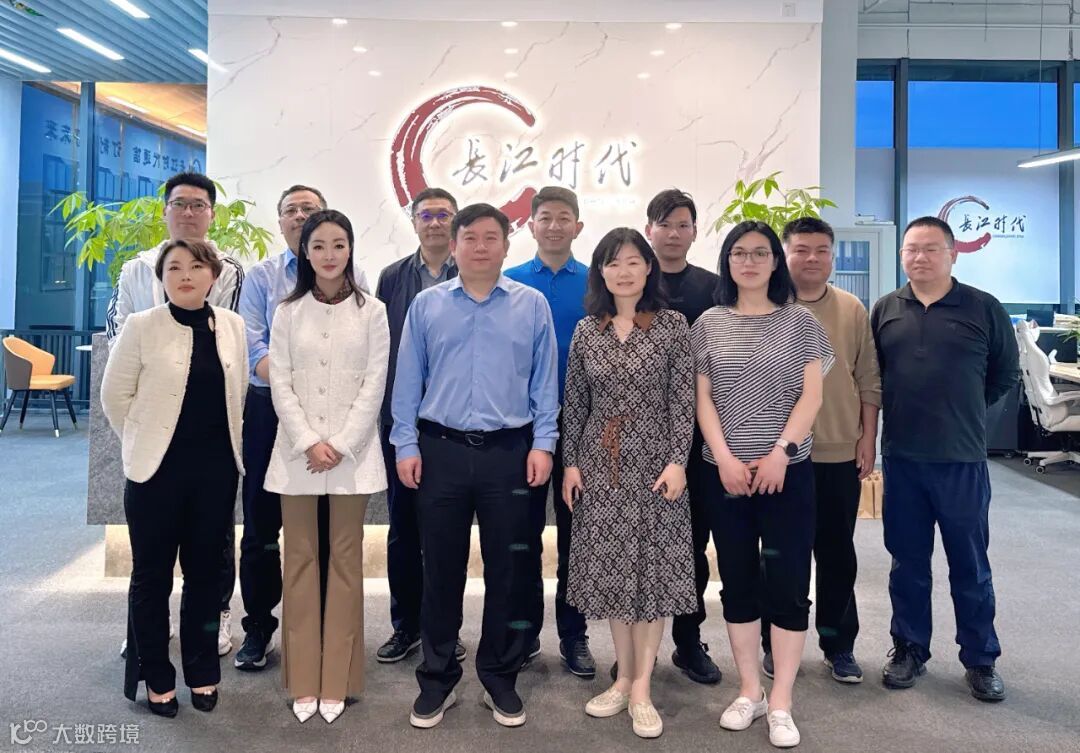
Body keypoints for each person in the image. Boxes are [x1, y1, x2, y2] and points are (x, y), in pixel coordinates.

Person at [392, 203, 559, 729]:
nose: (480, 246)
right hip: (439, 450)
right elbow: (407, 379)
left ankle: (499, 676)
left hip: (510, 452)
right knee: (440, 569)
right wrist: (405, 444)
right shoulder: (427, 305)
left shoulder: (531, 305)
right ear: (455, 245)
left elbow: (544, 382)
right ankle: (437, 678)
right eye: (470, 237)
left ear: (507, 246)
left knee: (508, 569)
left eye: (491, 237)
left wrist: (544, 443)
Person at [692, 221, 833, 748]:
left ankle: (782, 702)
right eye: (738, 253)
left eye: (759, 253)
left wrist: (781, 454)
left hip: (787, 474)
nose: (748, 262)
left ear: (776, 261)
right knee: (737, 580)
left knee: (790, 583)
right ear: (727, 262)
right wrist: (725, 459)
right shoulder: (708, 323)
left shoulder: (800, 321)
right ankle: (750, 690)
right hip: (725, 474)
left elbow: (811, 397)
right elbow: (703, 400)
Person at [871, 216, 1019, 702]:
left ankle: (980, 658)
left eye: (931, 248)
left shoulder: (983, 307)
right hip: (903, 459)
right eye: (911, 249)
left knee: (970, 565)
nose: (920, 257)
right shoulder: (885, 309)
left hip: (961, 461)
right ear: (902, 255)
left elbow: (1005, 374)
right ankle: (909, 649)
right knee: (907, 563)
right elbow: (875, 377)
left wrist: (967, 411)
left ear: (952, 254)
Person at [101, 239, 247, 717]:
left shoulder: (232, 326)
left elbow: (238, 393)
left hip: (215, 474)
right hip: (155, 475)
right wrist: (142, 440)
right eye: (174, 268)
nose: (185, 275)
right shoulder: (142, 326)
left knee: (206, 577)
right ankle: (156, 677)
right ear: (161, 278)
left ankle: (202, 673)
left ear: (213, 276)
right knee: (152, 577)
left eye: (196, 266)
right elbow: (114, 397)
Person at [562, 227, 696, 739]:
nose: (624, 271)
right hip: (601, 467)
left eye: (633, 261)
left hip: (656, 466)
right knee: (615, 574)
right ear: (601, 271)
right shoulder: (586, 330)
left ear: (648, 268)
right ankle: (621, 679)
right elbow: (576, 402)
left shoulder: (672, 326)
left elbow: (682, 402)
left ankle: (642, 687)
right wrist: (571, 464)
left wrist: (678, 462)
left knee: (651, 574)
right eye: (613, 262)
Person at [235, 184, 371, 672]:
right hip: (269, 411)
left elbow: (361, 353)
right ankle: (258, 626)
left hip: (331, 418)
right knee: (261, 524)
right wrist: (291, 387)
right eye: (290, 209)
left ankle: (321, 628)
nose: (299, 215)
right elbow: (253, 344)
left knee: (324, 528)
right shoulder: (261, 278)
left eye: (308, 208)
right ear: (281, 223)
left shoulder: (355, 280)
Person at [263, 209, 390, 724]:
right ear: (305, 252)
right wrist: (307, 441)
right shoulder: (287, 312)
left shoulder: (373, 311)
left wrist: (338, 443)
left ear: (351, 249)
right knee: (298, 561)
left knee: (344, 563)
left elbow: (375, 383)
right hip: (296, 456)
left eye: (339, 244)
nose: (329, 255)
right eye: (318, 246)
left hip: (351, 456)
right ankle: (303, 680)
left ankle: (337, 677)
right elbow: (280, 381)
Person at [757, 217, 881, 684]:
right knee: (779, 557)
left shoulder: (851, 308)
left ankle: (838, 644)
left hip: (836, 452)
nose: (812, 258)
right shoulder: (764, 307)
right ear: (784, 255)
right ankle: (775, 642)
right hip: (778, 457)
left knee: (836, 554)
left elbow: (868, 377)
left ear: (832, 255)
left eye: (822, 250)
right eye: (801, 249)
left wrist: (868, 438)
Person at [504, 186, 593, 678]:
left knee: (577, 536)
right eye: (545, 217)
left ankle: (574, 635)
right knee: (522, 536)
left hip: (583, 426)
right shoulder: (510, 281)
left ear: (577, 226)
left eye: (564, 218)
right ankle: (523, 632)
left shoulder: (597, 283)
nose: (554, 226)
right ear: (531, 225)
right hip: (523, 427)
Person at [374, 187, 465, 666]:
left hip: (453, 424)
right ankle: (405, 625)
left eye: (443, 215)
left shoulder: (470, 274)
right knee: (403, 530)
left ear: (455, 222)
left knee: (447, 535)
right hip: (403, 421)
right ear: (413, 222)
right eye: (426, 215)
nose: (434, 223)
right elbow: (381, 348)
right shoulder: (392, 277)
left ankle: (444, 628)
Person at [642, 188, 723, 685]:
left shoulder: (713, 287)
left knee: (693, 543)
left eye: (683, 225)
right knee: (639, 543)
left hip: (699, 437)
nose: (673, 234)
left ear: (694, 231)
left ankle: (689, 642)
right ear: (649, 229)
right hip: (638, 438)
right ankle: (639, 649)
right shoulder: (631, 280)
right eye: (665, 224)